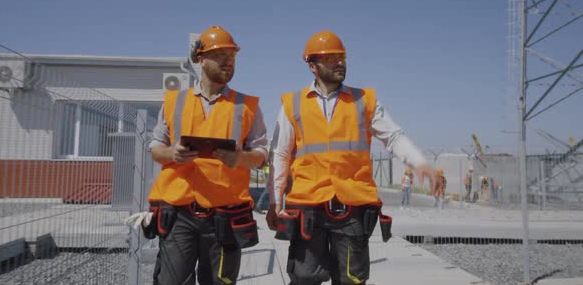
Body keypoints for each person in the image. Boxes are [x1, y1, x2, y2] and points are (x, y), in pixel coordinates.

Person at [265, 30, 436, 285]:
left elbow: (393, 136)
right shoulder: (293, 104)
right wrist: (275, 200)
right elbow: (280, 154)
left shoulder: (364, 101)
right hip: (307, 206)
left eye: (342, 57)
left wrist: (419, 161)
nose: (340, 62)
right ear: (312, 66)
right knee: (304, 278)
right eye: (331, 58)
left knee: (351, 280)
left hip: (352, 208)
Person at [145, 26, 268, 285]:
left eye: (232, 56)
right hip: (179, 213)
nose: (228, 61)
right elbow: (156, 148)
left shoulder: (249, 107)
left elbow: (261, 155)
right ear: (201, 59)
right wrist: (172, 153)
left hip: (225, 215)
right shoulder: (174, 101)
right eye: (221, 54)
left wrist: (240, 159)